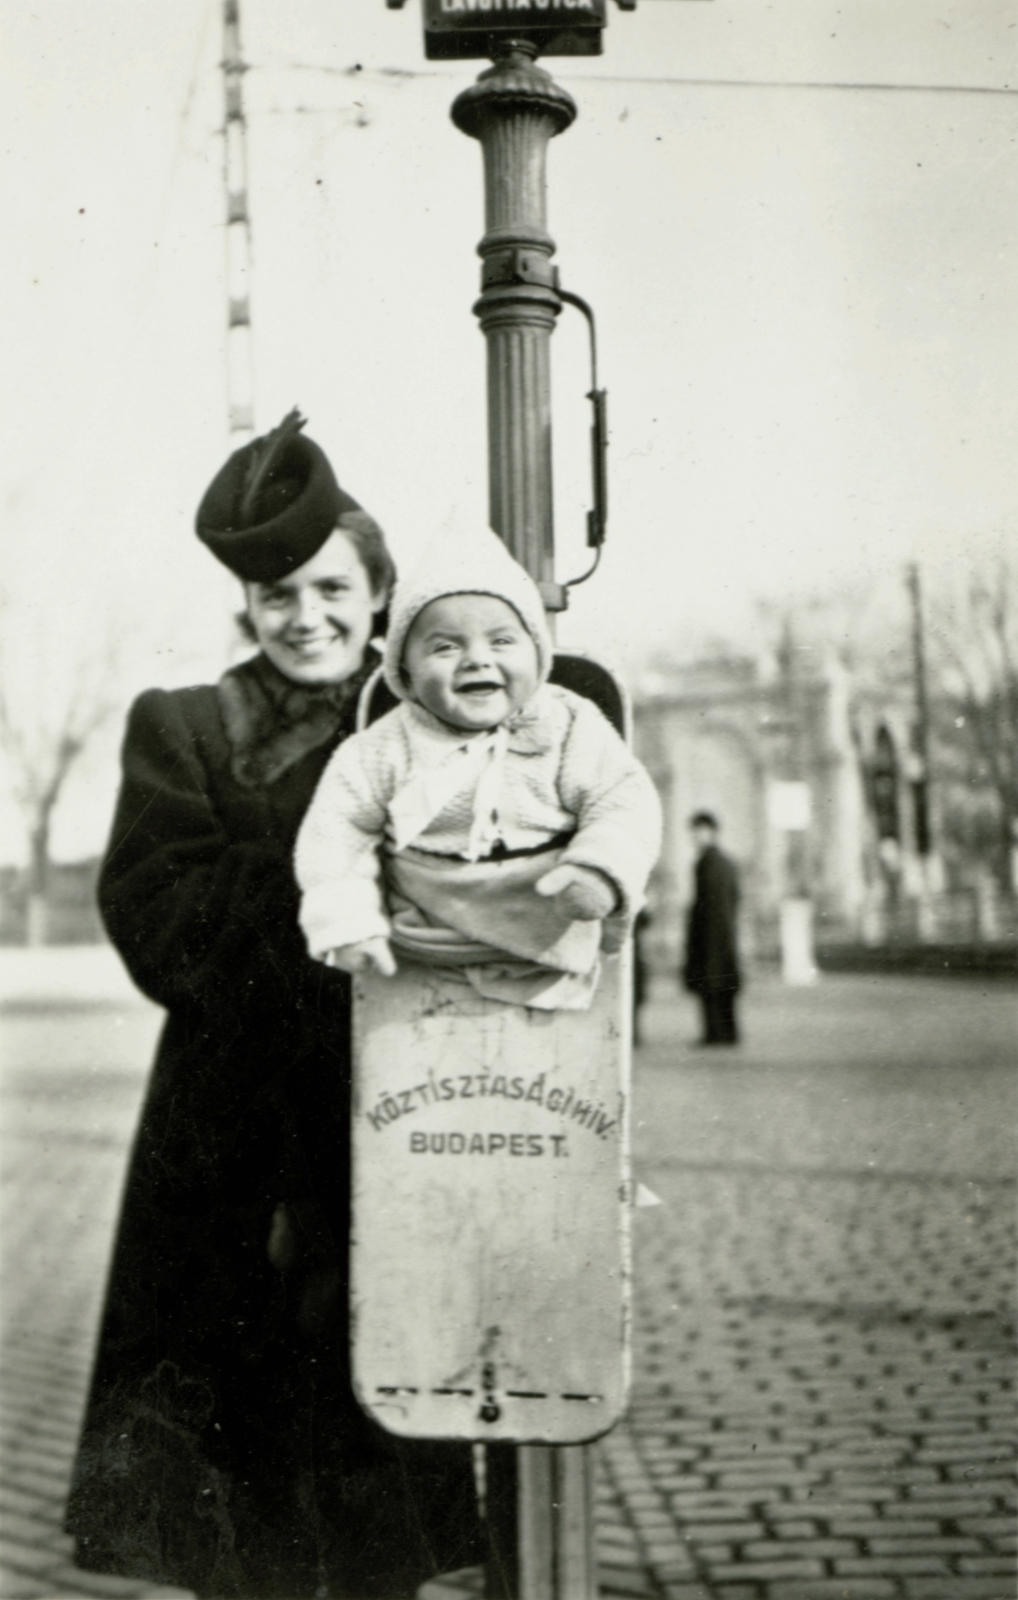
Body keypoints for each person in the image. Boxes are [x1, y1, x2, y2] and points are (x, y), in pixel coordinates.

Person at [64, 411, 485, 1600]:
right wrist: (336, 868)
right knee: (238, 1528)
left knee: (377, 1510)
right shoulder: (185, 729)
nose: (306, 618)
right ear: (246, 605)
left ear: (381, 590)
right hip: (228, 1166)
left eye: (331, 589)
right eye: (276, 594)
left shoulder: (429, 728)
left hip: (387, 1139)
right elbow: (158, 924)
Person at [295, 529, 662, 1012]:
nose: (476, 659)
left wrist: (597, 868)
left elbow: (622, 799)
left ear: (538, 653)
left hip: (547, 922)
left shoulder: (568, 723)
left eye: (503, 640)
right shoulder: (382, 747)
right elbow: (336, 831)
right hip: (421, 940)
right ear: (403, 671)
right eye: (445, 648)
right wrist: (346, 922)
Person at [682, 809, 742, 1045]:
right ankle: (724, 1033)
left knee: (713, 983)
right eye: (693, 832)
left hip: (712, 935)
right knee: (720, 984)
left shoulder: (710, 863)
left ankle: (716, 1034)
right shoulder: (721, 862)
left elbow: (710, 906)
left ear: (712, 832)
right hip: (721, 934)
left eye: (699, 832)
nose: (695, 837)